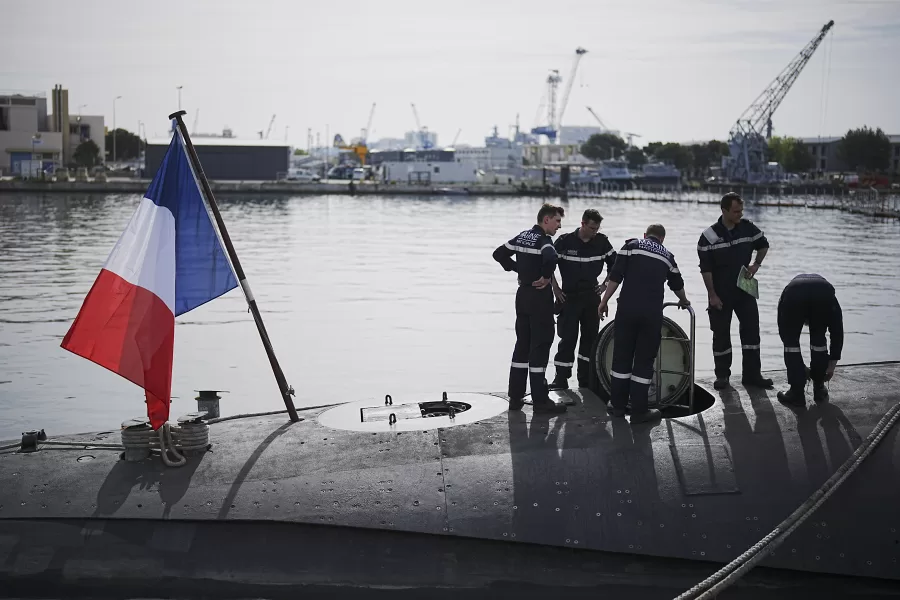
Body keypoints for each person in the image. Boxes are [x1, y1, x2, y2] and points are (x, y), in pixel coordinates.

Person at [598, 224, 690, 423]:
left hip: (627, 311)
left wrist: (604, 301)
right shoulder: (667, 256)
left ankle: (617, 406)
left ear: (645, 235)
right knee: (644, 361)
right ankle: (639, 411)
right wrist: (684, 300)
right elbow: (678, 284)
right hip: (651, 314)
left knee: (621, 358)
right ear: (662, 239)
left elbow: (615, 276)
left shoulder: (631, 246)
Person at [492, 203, 568, 414]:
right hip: (538, 297)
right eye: (557, 221)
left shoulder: (521, 237)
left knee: (522, 344)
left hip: (522, 295)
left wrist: (519, 269)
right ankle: (540, 400)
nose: (559, 226)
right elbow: (551, 257)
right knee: (541, 344)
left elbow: (498, 254)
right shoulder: (544, 240)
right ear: (546, 220)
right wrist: (545, 277)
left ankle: (515, 397)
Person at [697, 192, 772, 390]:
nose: (740, 214)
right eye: (736, 211)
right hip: (720, 292)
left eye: (741, 210)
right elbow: (705, 269)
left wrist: (756, 264)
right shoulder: (708, 236)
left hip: (744, 289)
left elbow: (764, 245)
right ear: (724, 211)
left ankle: (752, 375)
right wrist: (712, 295)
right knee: (721, 335)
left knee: (751, 333)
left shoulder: (747, 227)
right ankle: (722, 376)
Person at [548, 208, 617, 390]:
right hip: (568, 298)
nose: (595, 232)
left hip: (591, 298)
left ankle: (586, 381)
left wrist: (604, 285)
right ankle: (560, 379)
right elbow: (546, 266)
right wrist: (555, 289)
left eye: (597, 228)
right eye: (592, 228)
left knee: (590, 339)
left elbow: (617, 266)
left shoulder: (602, 242)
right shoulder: (564, 242)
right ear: (583, 224)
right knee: (567, 339)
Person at [776, 274, 843, 407]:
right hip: (823, 293)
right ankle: (819, 388)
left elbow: (784, 332)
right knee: (818, 340)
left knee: (791, 344)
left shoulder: (788, 294)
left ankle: (796, 393)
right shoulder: (830, 299)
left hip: (794, 293)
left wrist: (799, 366)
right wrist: (832, 365)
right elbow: (837, 331)